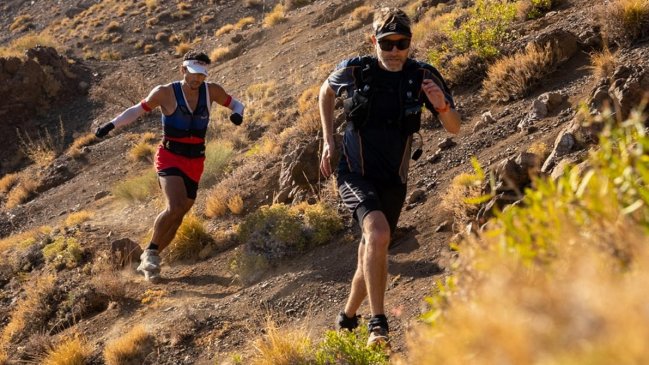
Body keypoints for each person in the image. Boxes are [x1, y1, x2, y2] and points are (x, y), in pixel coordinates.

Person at [318, 7, 461, 346]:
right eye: (387, 44)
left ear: (411, 42)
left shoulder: (422, 75)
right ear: (374, 42)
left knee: (373, 248)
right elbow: (325, 91)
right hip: (354, 172)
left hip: (394, 180)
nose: (395, 51)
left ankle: (347, 317)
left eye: (402, 43)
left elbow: (454, 128)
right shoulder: (357, 70)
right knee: (378, 234)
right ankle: (378, 325)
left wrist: (441, 106)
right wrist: (328, 140)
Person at [95, 50, 245, 283]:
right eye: (193, 73)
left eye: (202, 74)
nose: (197, 79)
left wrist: (237, 115)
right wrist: (110, 125)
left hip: (196, 160)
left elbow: (237, 103)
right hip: (170, 156)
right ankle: (152, 253)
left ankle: (148, 257)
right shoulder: (165, 92)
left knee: (179, 215)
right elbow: (137, 109)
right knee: (174, 205)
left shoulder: (211, 90)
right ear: (183, 70)